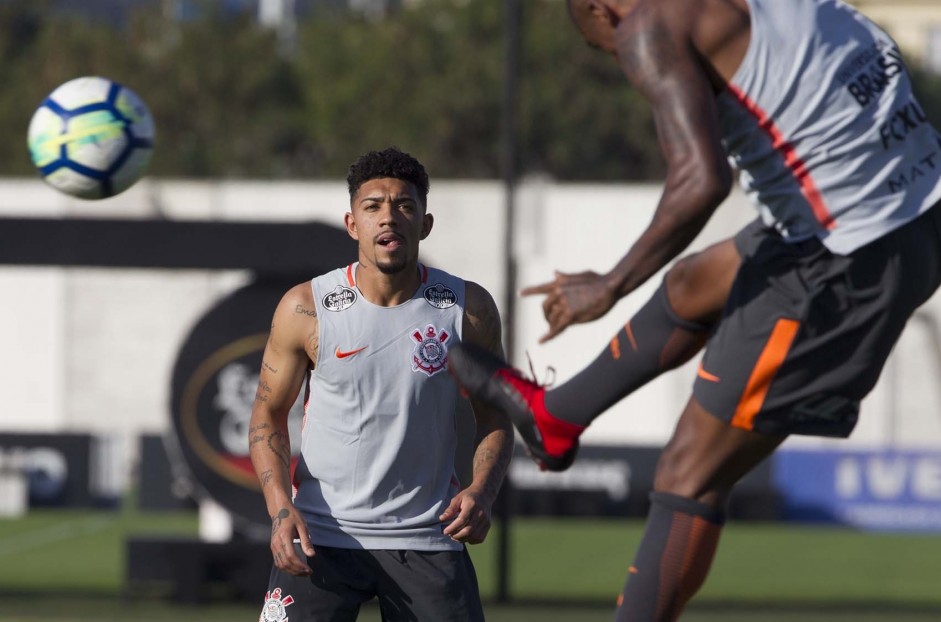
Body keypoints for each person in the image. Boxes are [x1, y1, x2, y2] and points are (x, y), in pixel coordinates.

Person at [446, 0, 941, 620]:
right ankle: (557, 418)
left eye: (606, 47)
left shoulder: (648, 25)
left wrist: (611, 284)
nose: (623, 58)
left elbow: (701, 179)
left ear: (603, 11)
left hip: (841, 260)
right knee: (693, 283)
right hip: (916, 215)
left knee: (688, 472)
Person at [249, 147, 513, 622]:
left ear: (425, 224)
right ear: (353, 224)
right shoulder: (306, 306)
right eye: (372, 207)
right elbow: (266, 415)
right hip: (322, 539)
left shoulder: (467, 309)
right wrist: (279, 509)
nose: (388, 218)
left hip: (429, 539)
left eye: (404, 206)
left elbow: (496, 414)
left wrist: (483, 492)